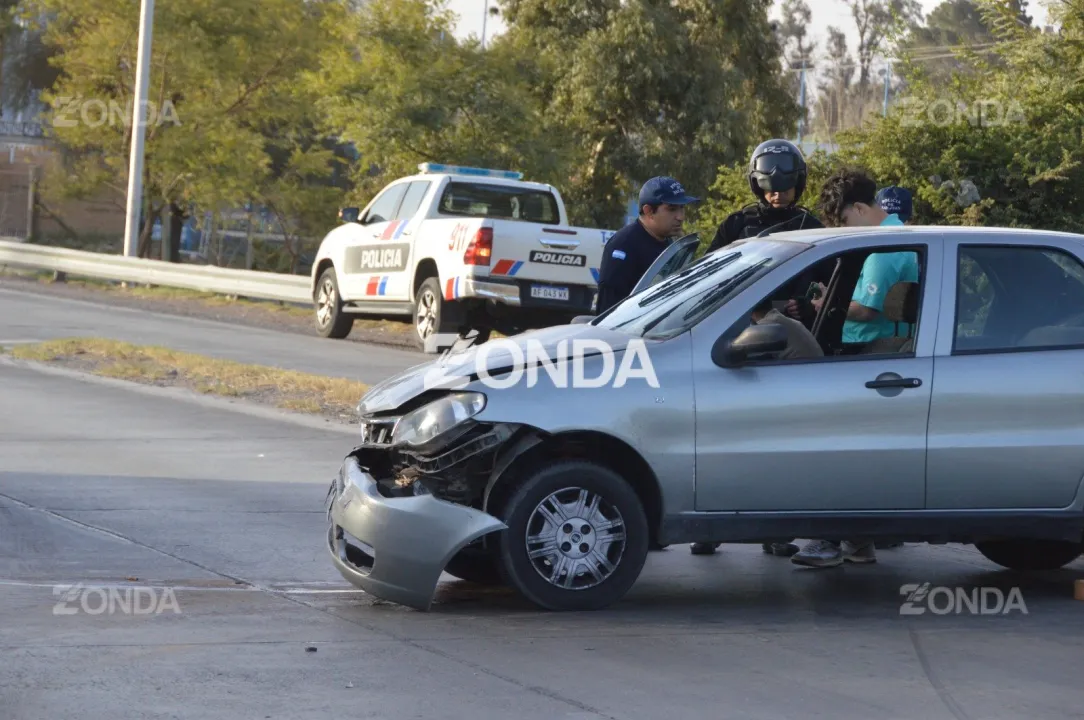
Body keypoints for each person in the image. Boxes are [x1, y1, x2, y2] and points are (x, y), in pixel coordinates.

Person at [789, 168, 919, 569]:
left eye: (843, 220)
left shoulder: (883, 248)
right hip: (893, 349)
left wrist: (826, 303)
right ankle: (858, 543)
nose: (842, 228)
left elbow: (867, 308)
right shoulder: (904, 235)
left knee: (845, 451)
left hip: (873, 353)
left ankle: (833, 538)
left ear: (861, 208)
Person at [689, 297, 824, 557]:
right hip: (798, 409)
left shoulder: (766, 329)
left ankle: (715, 534)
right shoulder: (780, 322)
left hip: (796, 416)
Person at [595, 176, 699, 315]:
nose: (680, 217)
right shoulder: (623, 246)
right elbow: (609, 312)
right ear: (648, 211)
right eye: (672, 209)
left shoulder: (669, 245)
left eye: (682, 208)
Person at [706, 139, 824, 254]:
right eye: (771, 189)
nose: (778, 195)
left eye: (785, 189)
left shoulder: (811, 227)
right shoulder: (736, 223)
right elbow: (711, 266)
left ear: (797, 185)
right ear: (759, 187)